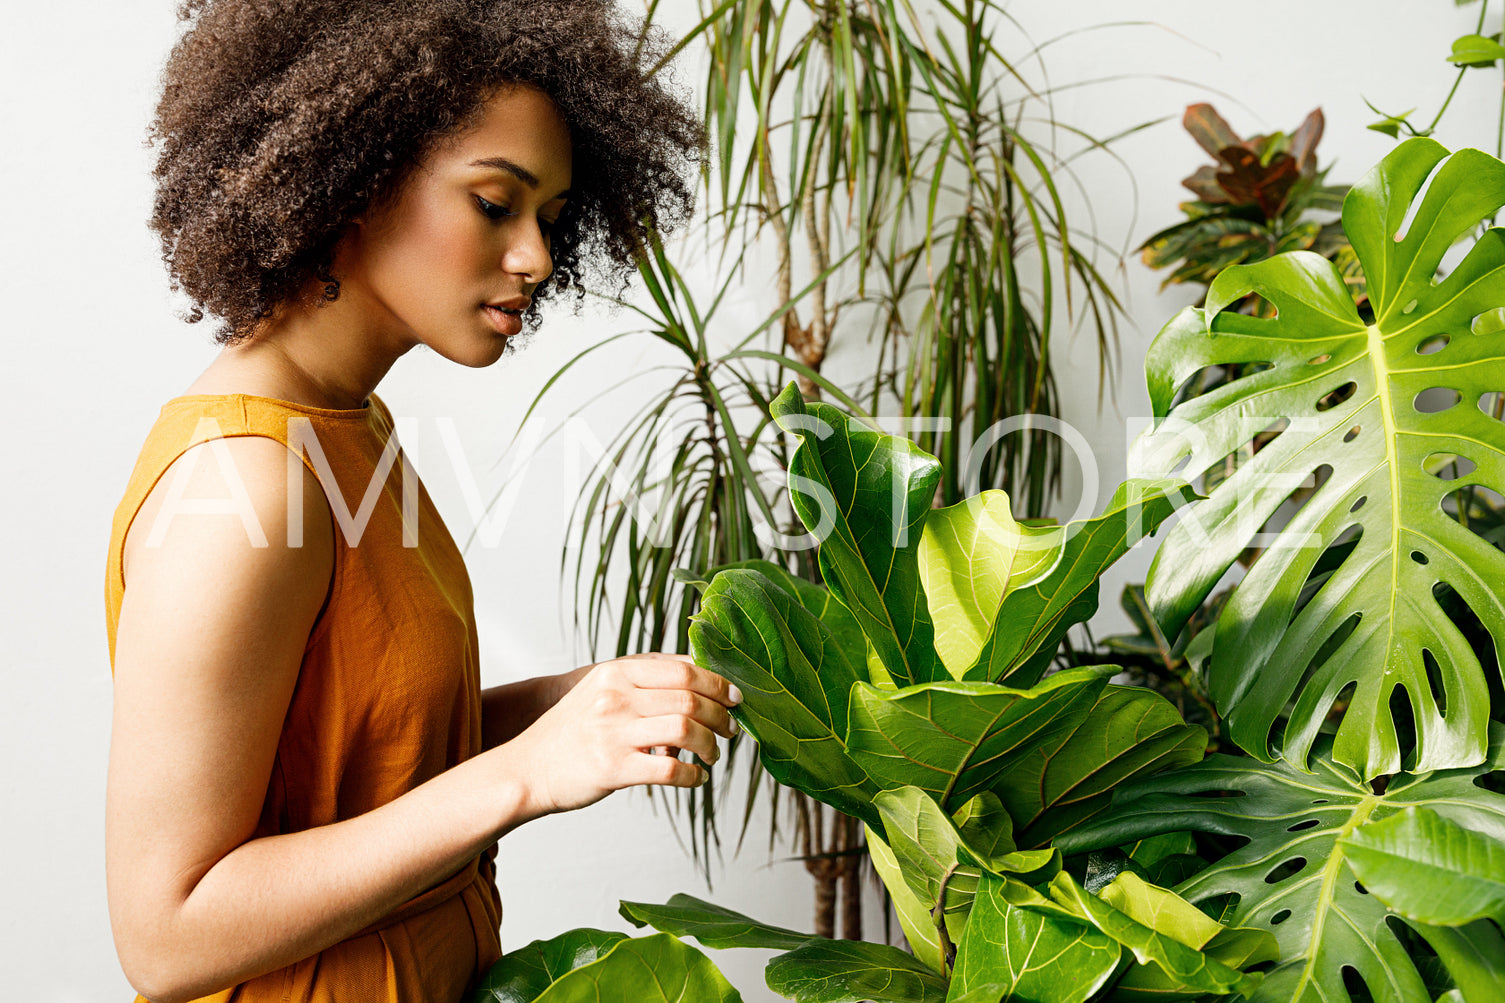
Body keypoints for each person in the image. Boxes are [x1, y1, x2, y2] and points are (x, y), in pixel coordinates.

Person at [102, 2, 738, 1001]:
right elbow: (166, 933)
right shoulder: (245, 487)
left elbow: (359, 755)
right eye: (495, 203)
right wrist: (526, 775)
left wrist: (572, 708)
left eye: (552, 219)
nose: (535, 257)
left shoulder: (347, 427)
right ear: (352, 178)